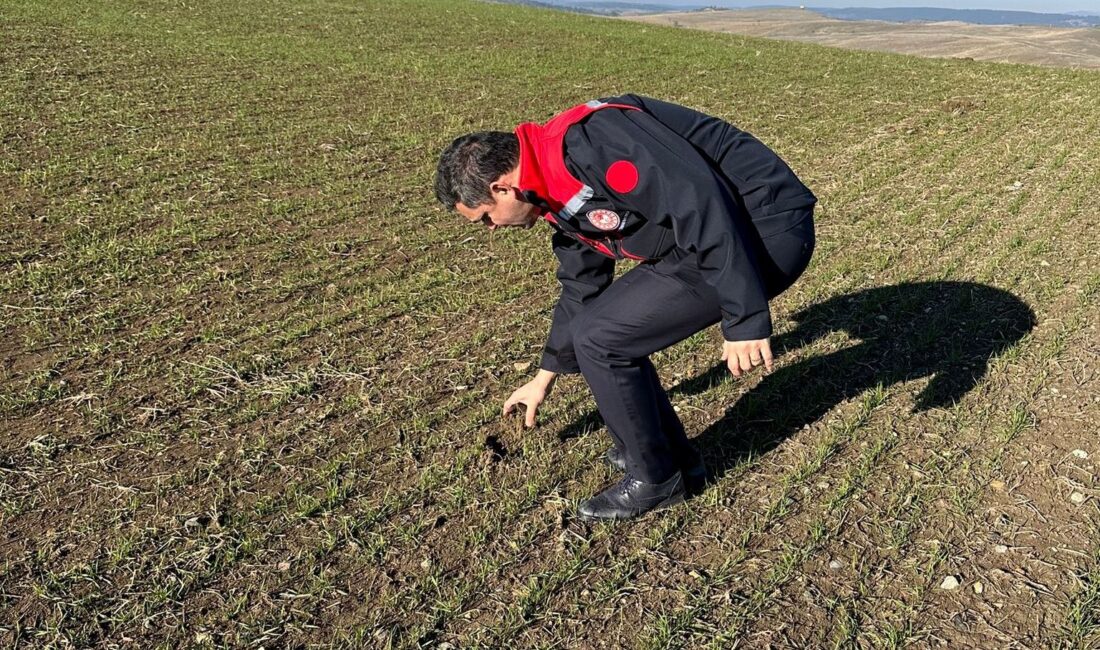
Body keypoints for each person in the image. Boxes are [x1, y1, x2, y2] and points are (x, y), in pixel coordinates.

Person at [433, 94, 817, 520]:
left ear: (500, 187)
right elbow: (581, 286)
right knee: (598, 330)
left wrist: (744, 318)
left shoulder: (594, 143)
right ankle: (668, 455)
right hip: (715, 236)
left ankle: (656, 477)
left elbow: (700, 201)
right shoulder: (553, 188)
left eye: (485, 217)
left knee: (602, 339)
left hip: (763, 228)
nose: (491, 229)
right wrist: (544, 377)